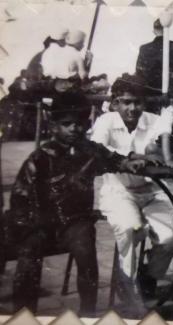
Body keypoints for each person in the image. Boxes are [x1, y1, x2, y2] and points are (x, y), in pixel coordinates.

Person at [6, 91, 146, 316]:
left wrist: (129, 163)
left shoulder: (90, 151)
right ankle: (23, 315)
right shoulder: (40, 158)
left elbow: (113, 159)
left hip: (75, 221)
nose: (74, 129)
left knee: (86, 252)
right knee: (29, 258)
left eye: (79, 124)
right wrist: (26, 226)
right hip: (40, 223)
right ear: (53, 127)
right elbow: (20, 195)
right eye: (66, 124)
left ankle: (87, 313)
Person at [91, 73, 173, 315]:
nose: (132, 108)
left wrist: (155, 151)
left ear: (145, 102)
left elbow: (162, 147)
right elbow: (96, 149)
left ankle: (147, 276)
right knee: (130, 227)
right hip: (118, 191)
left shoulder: (153, 120)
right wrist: (135, 156)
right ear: (116, 103)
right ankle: (127, 283)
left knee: (172, 237)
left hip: (151, 191)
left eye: (137, 102)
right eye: (126, 102)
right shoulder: (106, 121)